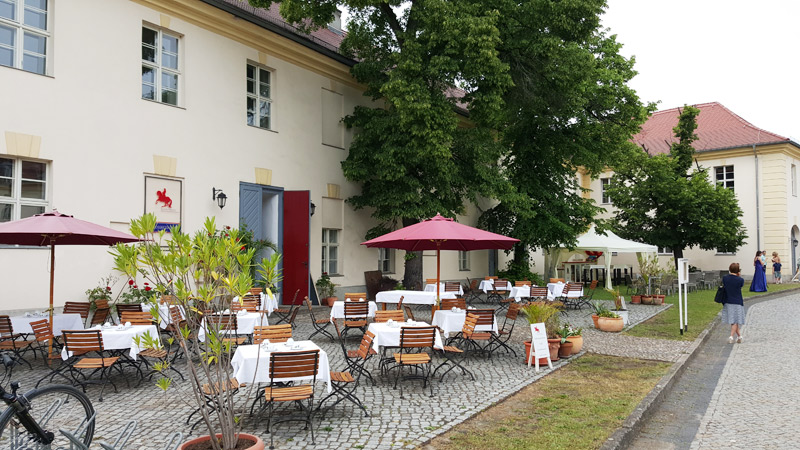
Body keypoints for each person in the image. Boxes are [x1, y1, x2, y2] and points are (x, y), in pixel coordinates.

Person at [722, 263, 745, 343]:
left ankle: (739, 337)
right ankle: (731, 337)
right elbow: (741, 285)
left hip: (728, 300)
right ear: (738, 270)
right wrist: (739, 275)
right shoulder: (740, 280)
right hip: (737, 301)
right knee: (735, 321)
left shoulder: (725, 278)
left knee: (734, 320)